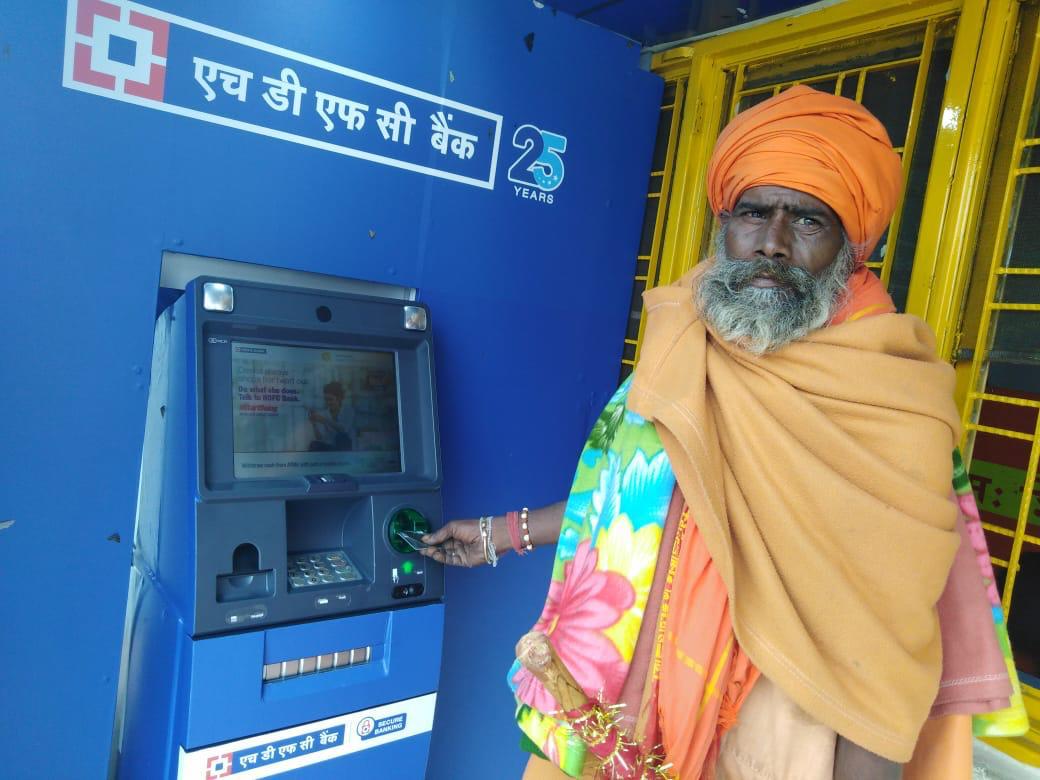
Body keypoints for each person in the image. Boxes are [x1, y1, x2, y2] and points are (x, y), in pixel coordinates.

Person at [422, 86, 1019, 779]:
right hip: (623, 702)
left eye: (808, 221)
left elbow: (885, 658)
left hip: (781, 726)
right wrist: (506, 532)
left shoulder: (893, 401)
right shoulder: (685, 337)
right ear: (724, 223)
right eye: (753, 213)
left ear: (855, 246)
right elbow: (636, 488)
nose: (772, 243)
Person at [308, 380, 354, 451]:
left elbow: (343, 430)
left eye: (330, 399)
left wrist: (325, 420)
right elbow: (320, 438)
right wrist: (314, 425)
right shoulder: (325, 413)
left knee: (341, 436)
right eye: (326, 400)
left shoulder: (348, 410)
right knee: (313, 444)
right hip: (331, 448)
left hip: (345, 448)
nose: (328, 402)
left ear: (339, 398)